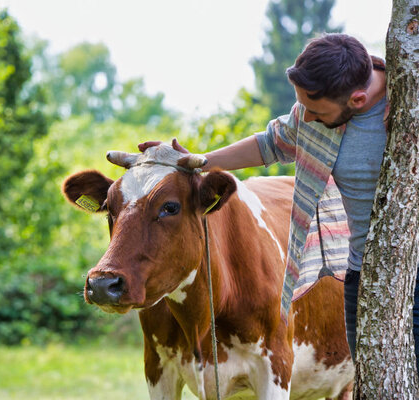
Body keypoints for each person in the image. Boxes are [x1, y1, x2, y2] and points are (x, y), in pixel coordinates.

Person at [140, 33, 419, 367]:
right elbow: (270, 143)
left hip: (414, 271)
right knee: (376, 379)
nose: (307, 118)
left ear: (357, 100)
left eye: (315, 112)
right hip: (363, 275)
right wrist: (200, 161)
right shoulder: (314, 114)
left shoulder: (408, 106)